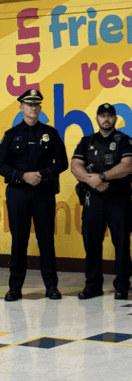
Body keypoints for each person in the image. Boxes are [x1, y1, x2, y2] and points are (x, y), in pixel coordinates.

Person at [0, 89, 68, 301]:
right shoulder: (11, 135)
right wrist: (21, 175)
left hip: (43, 192)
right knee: (18, 240)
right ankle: (14, 288)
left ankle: (51, 287)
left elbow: (63, 163)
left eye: (36, 104)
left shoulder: (51, 133)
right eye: (29, 104)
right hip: (18, 192)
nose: (33, 108)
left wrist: (42, 174)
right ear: (21, 107)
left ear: (40, 107)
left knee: (46, 239)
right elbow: (1, 164)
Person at [71, 103, 132, 300]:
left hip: (118, 198)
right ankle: (92, 285)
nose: (106, 119)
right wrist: (90, 180)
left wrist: (102, 177)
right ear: (97, 118)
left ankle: (122, 285)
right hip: (93, 199)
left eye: (109, 116)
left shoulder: (124, 140)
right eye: (102, 116)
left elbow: (127, 166)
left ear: (115, 119)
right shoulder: (87, 141)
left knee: (121, 243)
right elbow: (75, 165)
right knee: (91, 243)